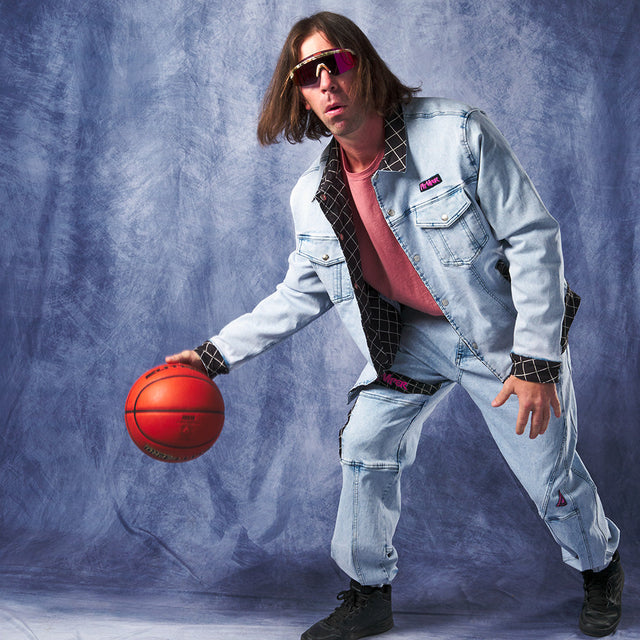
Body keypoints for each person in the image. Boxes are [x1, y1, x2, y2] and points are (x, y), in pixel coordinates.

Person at [166, 11, 624, 640]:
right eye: (307, 74)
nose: (326, 83)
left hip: (501, 336)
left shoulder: (456, 133)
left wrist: (537, 362)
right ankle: (369, 593)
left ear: (364, 66)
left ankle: (600, 565)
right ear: (298, 94)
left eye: (336, 63)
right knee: (364, 445)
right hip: (407, 342)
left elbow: (532, 238)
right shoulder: (313, 197)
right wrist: (213, 355)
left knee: (551, 479)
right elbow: (300, 292)